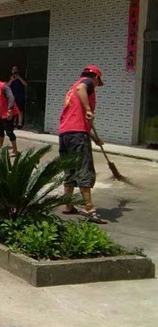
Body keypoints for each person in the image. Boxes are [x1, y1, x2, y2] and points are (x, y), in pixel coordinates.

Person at [59, 65, 106, 224]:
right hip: (77, 134)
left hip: (66, 134)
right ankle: (89, 208)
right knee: (84, 168)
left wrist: (93, 138)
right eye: (99, 82)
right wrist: (88, 108)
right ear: (96, 77)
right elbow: (81, 89)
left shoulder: (71, 89)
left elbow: (76, 121)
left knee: (70, 169)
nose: (97, 86)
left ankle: (68, 205)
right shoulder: (86, 83)